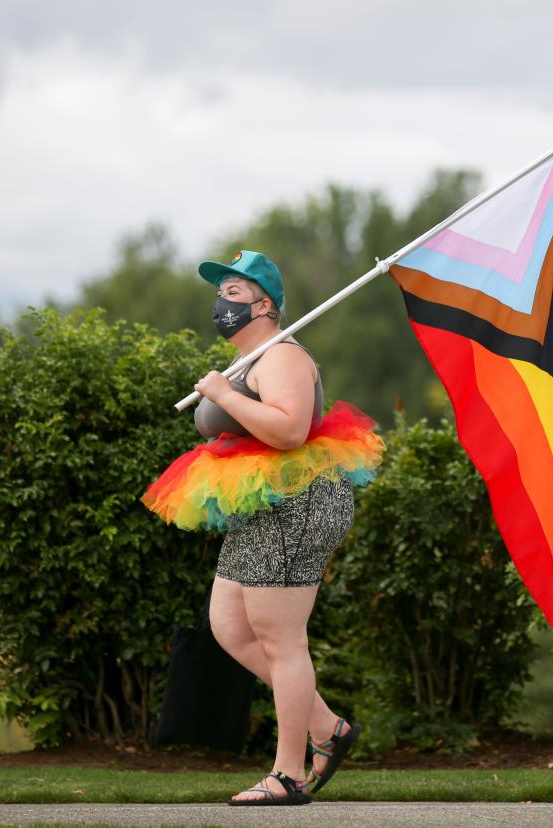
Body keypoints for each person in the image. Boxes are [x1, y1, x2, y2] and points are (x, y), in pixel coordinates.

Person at [141, 250, 384, 806]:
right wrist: (225, 390)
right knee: (229, 626)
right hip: (261, 506)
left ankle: (289, 774)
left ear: (265, 304)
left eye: (233, 292)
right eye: (220, 292)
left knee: (281, 641)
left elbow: (292, 430)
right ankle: (328, 727)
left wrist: (223, 396)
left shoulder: (282, 356)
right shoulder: (248, 360)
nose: (221, 302)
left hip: (296, 502)